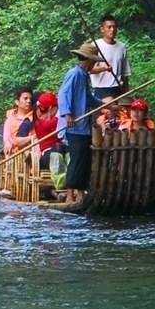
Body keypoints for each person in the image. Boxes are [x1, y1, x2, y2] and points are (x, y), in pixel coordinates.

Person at [56, 41, 102, 202]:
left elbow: (88, 98)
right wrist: (68, 114)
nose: (95, 64)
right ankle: (70, 195)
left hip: (83, 126)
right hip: (74, 126)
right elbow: (63, 94)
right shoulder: (74, 74)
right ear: (88, 60)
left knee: (84, 159)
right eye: (94, 61)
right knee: (76, 159)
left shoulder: (83, 76)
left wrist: (104, 106)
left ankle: (80, 193)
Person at [88, 14, 130, 111]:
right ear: (102, 29)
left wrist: (126, 91)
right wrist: (104, 69)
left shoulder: (122, 47)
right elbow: (89, 69)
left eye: (114, 27)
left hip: (118, 88)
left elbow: (125, 74)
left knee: (121, 119)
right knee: (106, 120)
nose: (112, 30)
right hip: (102, 89)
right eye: (109, 27)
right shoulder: (95, 45)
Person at [30, 91, 63, 176]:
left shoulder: (52, 120)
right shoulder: (41, 123)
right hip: (47, 157)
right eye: (57, 107)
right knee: (58, 148)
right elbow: (60, 120)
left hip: (56, 154)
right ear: (51, 108)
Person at [1, 87, 36, 154]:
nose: (29, 101)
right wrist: (7, 143)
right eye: (25, 98)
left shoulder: (35, 117)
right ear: (17, 102)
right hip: (14, 153)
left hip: (31, 152)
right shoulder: (10, 119)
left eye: (30, 99)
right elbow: (6, 138)